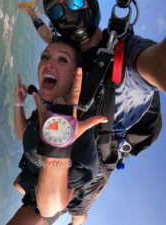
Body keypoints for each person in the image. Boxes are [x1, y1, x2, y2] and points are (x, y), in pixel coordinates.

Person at [14, 0, 165, 224]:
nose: (66, 13)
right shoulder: (66, 50)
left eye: (74, 2)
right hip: (61, 148)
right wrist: (32, 15)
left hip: (91, 166)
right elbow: (50, 37)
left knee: (77, 211)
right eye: (56, 10)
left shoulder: (129, 58)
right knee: (23, 190)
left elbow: (158, 64)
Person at [8, 37, 108, 225]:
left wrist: (58, 145)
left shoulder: (78, 139)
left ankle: (78, 220)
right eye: (45, 57)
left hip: (63, 193)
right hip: (37, 172)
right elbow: (24, 134)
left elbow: (49, 207)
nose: (49, 64)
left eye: (62, 60)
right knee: (17, 185)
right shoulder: (44, 110)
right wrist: (18, 104)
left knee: (76, 212)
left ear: (73, 76)